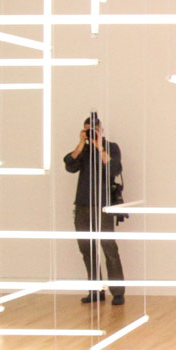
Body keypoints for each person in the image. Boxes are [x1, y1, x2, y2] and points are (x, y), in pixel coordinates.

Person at [63, 113, 126, 306]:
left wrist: (99, 146)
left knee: (109, 248)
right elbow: (69, 165)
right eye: (87, 130)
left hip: (103, 206)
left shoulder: (111, 147)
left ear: (101, 130)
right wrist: (82, 143)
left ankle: (117, 292)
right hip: (82, 205)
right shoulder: (83, 150)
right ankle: (95, 290)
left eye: (94, 130)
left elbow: (114, 169)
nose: (91, 133)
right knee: (86, 249)